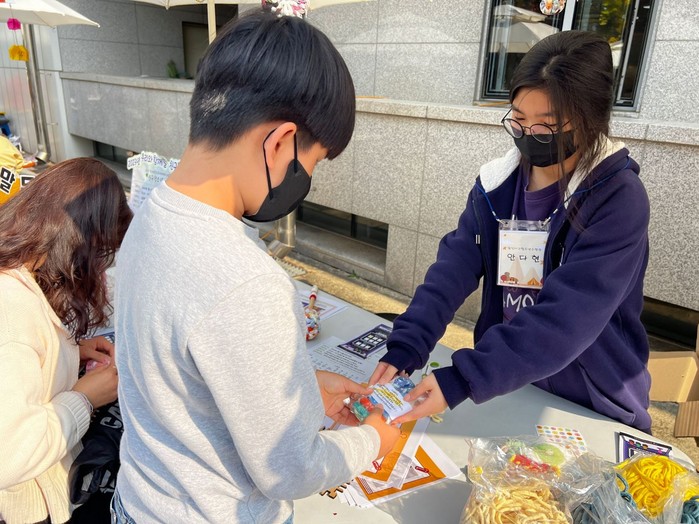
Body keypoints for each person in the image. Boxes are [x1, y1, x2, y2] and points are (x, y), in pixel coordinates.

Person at [112, 10, 400, 524]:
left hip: (140, 502)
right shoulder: (246, 279)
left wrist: (300, 386)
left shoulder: (151, 213)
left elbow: (182, 374)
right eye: (312, 163)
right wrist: (373, 440)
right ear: (280, 142)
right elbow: (289, 469)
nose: (307, 180)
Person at [370, 31, 653, 433]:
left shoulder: (618, 198)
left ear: (590, 121)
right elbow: (453, 269)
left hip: (591, 400)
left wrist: (464, 378)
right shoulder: (496, 186)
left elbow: (567, 318)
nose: (528, 136)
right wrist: (408, 344)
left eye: (546, 128)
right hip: (511, 383)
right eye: (518, 120)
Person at [0, 158, 131, 524]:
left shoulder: (18, 272)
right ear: (77, 243)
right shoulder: (11, 312)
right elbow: (10, 454)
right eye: (100, 254)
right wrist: (84, 398)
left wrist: (70, 352)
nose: (99, 269)